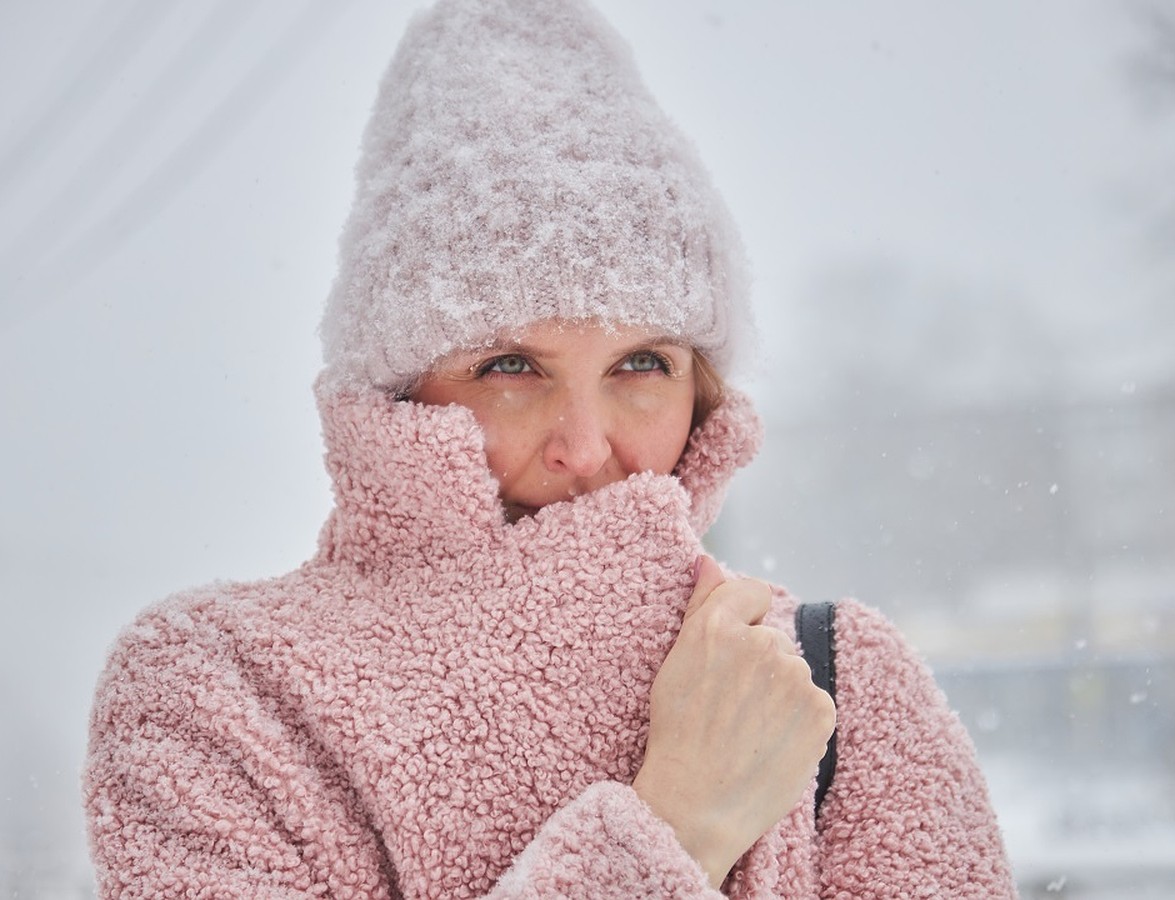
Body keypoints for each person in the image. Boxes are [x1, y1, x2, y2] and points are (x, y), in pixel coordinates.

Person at [83, 0, 1018, 896]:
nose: (585, 444)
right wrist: (680, 827)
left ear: (704, 392)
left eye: (642, 361)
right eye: (510, 365)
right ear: (397, 394)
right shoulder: (220, 690)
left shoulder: (831, 684)